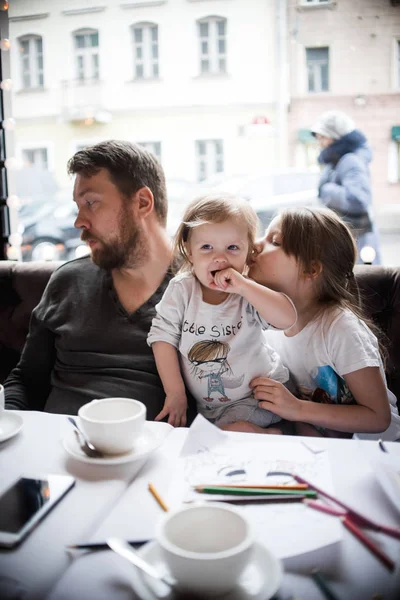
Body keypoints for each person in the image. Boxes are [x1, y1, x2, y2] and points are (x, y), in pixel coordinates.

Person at [4, 140, 187, 420]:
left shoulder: (199, 289)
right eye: (78, 206)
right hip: (58, 449)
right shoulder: (68, 281)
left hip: (153, 455)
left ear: (142, 203)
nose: (79, 221)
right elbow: (25, 380)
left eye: (91, 203)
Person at [147, 193, 297, 431]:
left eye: (232, 248)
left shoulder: (248, 293)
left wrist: (245, 286)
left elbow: (287, 319)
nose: (219, 258)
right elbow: (162, 338)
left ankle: (275, 434)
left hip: (257, 397)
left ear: (248, 252)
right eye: (206, 247)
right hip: (210, 407)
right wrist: (175, 393)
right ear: (189, 250)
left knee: (225, 435)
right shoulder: (182, 290)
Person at [248, 206, 400, 441]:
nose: (256, 244)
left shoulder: (340, 329)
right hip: (324, 450)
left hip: (378, 452)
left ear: (311, 270)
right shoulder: (267, 325)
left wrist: (296, 408)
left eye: (275, 241)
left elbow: (379, 417)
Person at [311, 110, 381, 264]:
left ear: (336, 137)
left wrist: (327, 190)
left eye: (323, 137)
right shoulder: (336, 160)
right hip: (350, 236)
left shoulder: (349, 160)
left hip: (358, 237)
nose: (320, 142)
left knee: (363, 284)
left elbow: (358, 199)